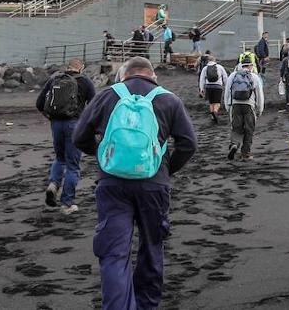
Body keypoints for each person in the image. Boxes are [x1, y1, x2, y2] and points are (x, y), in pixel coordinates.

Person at [74, 56, 197, 310]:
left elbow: (79, 137)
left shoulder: (107, 96)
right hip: (154, 185)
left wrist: (103, 156)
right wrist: (165, 169)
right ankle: (146, 305)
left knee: (113, 253)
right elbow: (188, 144)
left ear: (123, 75)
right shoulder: (169, 99)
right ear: (153, 76)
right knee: (151, 247)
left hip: (112, 184)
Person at [36, 58, 97, 213]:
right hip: (75, 125)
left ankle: (53, 184)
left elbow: (39, 103)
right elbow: (95, 105)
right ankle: (67, 204)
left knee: (60, 158)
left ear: (67, 68)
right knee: (73, 165)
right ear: (81, 68)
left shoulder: (55, 79)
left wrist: (50, 117)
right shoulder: (85, 81)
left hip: (56, 123)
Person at [223, 59, 264, 161]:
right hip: (249, 106)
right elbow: (259, 94)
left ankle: (234, 144)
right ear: (250, 66)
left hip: (235, 105)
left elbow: (227, 91)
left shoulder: (233, 76)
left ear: (241, 65)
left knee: (236, 127)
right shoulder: (254, 76)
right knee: (249, 129)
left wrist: (227, 106)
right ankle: (245, 153)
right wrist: (260, 108)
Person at [197, 52, 228, 124]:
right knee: (217, 103)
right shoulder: (220, 67)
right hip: (218, 87)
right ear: (214, 60)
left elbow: (202, 79)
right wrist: (227, 86)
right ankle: (215, 112)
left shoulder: (205, 68)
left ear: (208, 61)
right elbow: (225, 77)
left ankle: (212, 116)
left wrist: (201, 89)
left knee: (211, 103)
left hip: (208, 87)